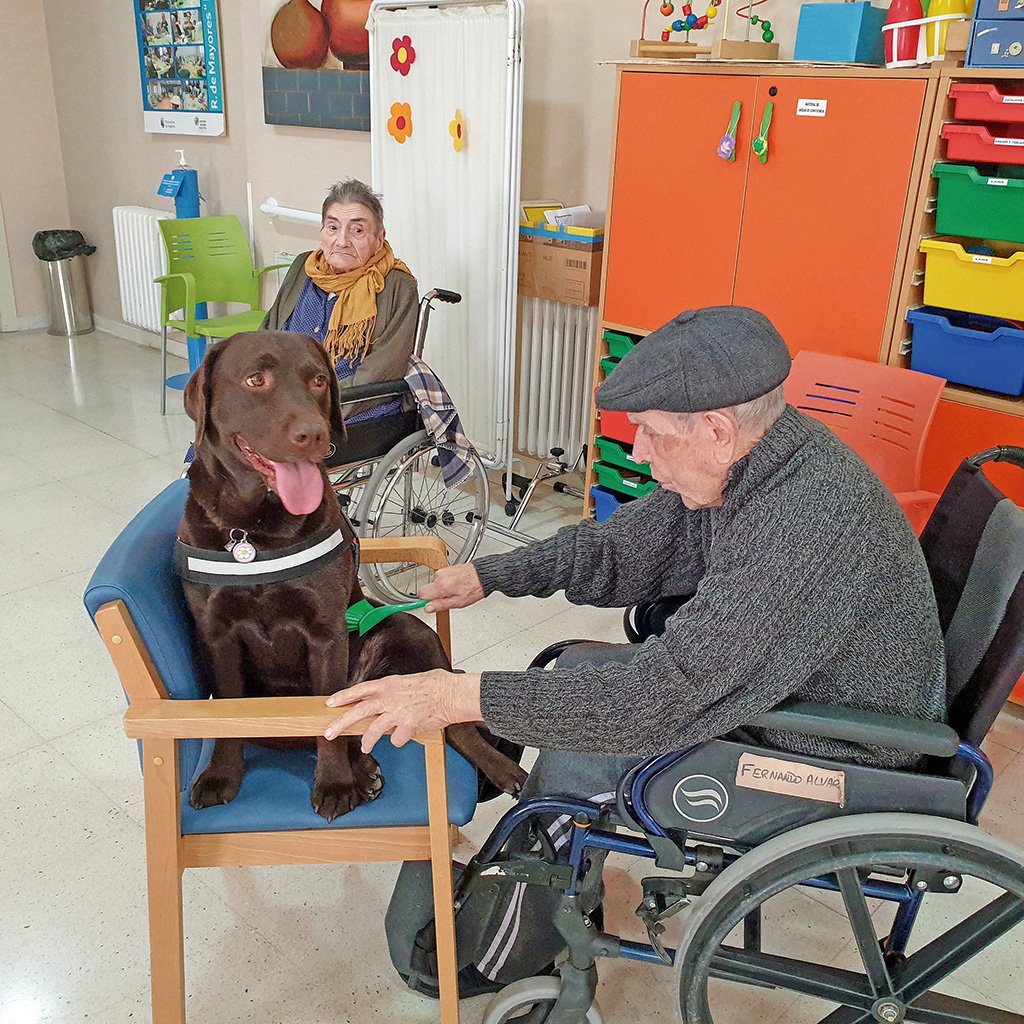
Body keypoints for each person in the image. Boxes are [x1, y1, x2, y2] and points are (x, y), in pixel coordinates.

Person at [323, 305, 947, 990]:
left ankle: (489, 952)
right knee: (572, 671)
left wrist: (457, 696)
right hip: (789, 691)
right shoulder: (759, 462)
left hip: (840, 752)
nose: (639, 454)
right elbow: (618, 548)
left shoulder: (803, 520)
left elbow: (657, 696)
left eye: (649, 435)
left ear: (715, 429)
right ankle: (546, 878)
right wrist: (490, 574)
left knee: (586, 749)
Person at [262, 179, 419, 429]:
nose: (342, 241)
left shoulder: (397, 287)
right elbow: (267, 334)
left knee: (257, 444)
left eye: (357, 231)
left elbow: (383, 372)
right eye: (333, 227)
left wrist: (315, 405)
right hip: (285, 399)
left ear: (379, 239)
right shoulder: (304, 267)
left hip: (352, 407)